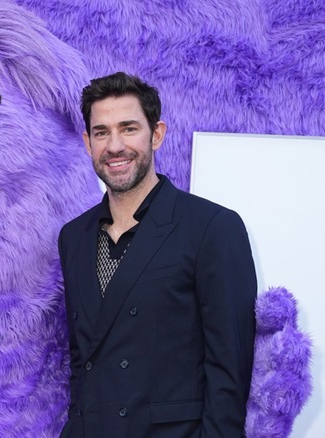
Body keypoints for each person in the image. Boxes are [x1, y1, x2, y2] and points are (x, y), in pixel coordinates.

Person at [58, 72, 256, 437]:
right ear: (88, 143)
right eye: (101, 132)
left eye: (129, 128)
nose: (114, 146)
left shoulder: (211, 228)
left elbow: (229, 370)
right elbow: (81, 357)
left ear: (157, 134)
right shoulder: (73, 237)